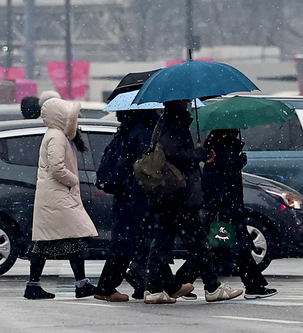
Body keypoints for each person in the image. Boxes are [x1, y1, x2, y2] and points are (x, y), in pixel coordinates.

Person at [143, 100, 243, 304]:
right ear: (180, 101)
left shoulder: (166, 119)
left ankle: (153, 288)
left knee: (163, 241)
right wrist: (201, 154)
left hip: (169, 193)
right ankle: (212, 287)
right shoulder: (175, 121)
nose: (188, 103)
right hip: (179, 194)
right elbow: (174, 153)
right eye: (186, 100)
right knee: (197, 241)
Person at [176, 129, 277, 300]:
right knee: (237, 246)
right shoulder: (224, 151)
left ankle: (181, 282)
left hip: (223, 207)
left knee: (211, 247)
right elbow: (222, 181)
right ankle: (253, 285)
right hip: (227, 208)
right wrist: (236, 163)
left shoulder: (217, 150)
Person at [23, 98, 98, 300]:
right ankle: (77, 284)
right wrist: (73, 180)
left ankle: (37, 284)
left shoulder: (55, 135)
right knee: (73, 236)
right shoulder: (56, 136)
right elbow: (57, 167)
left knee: (62, 239)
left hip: (55, 196)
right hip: (58, 196)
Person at [94, 110, 159, 302]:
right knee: (132, 243)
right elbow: (145, 167)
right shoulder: (143, 133)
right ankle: (108, 287)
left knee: (128, 243)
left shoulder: (125, 131)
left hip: (125, 197)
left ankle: (142, 284)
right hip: (136, 197)